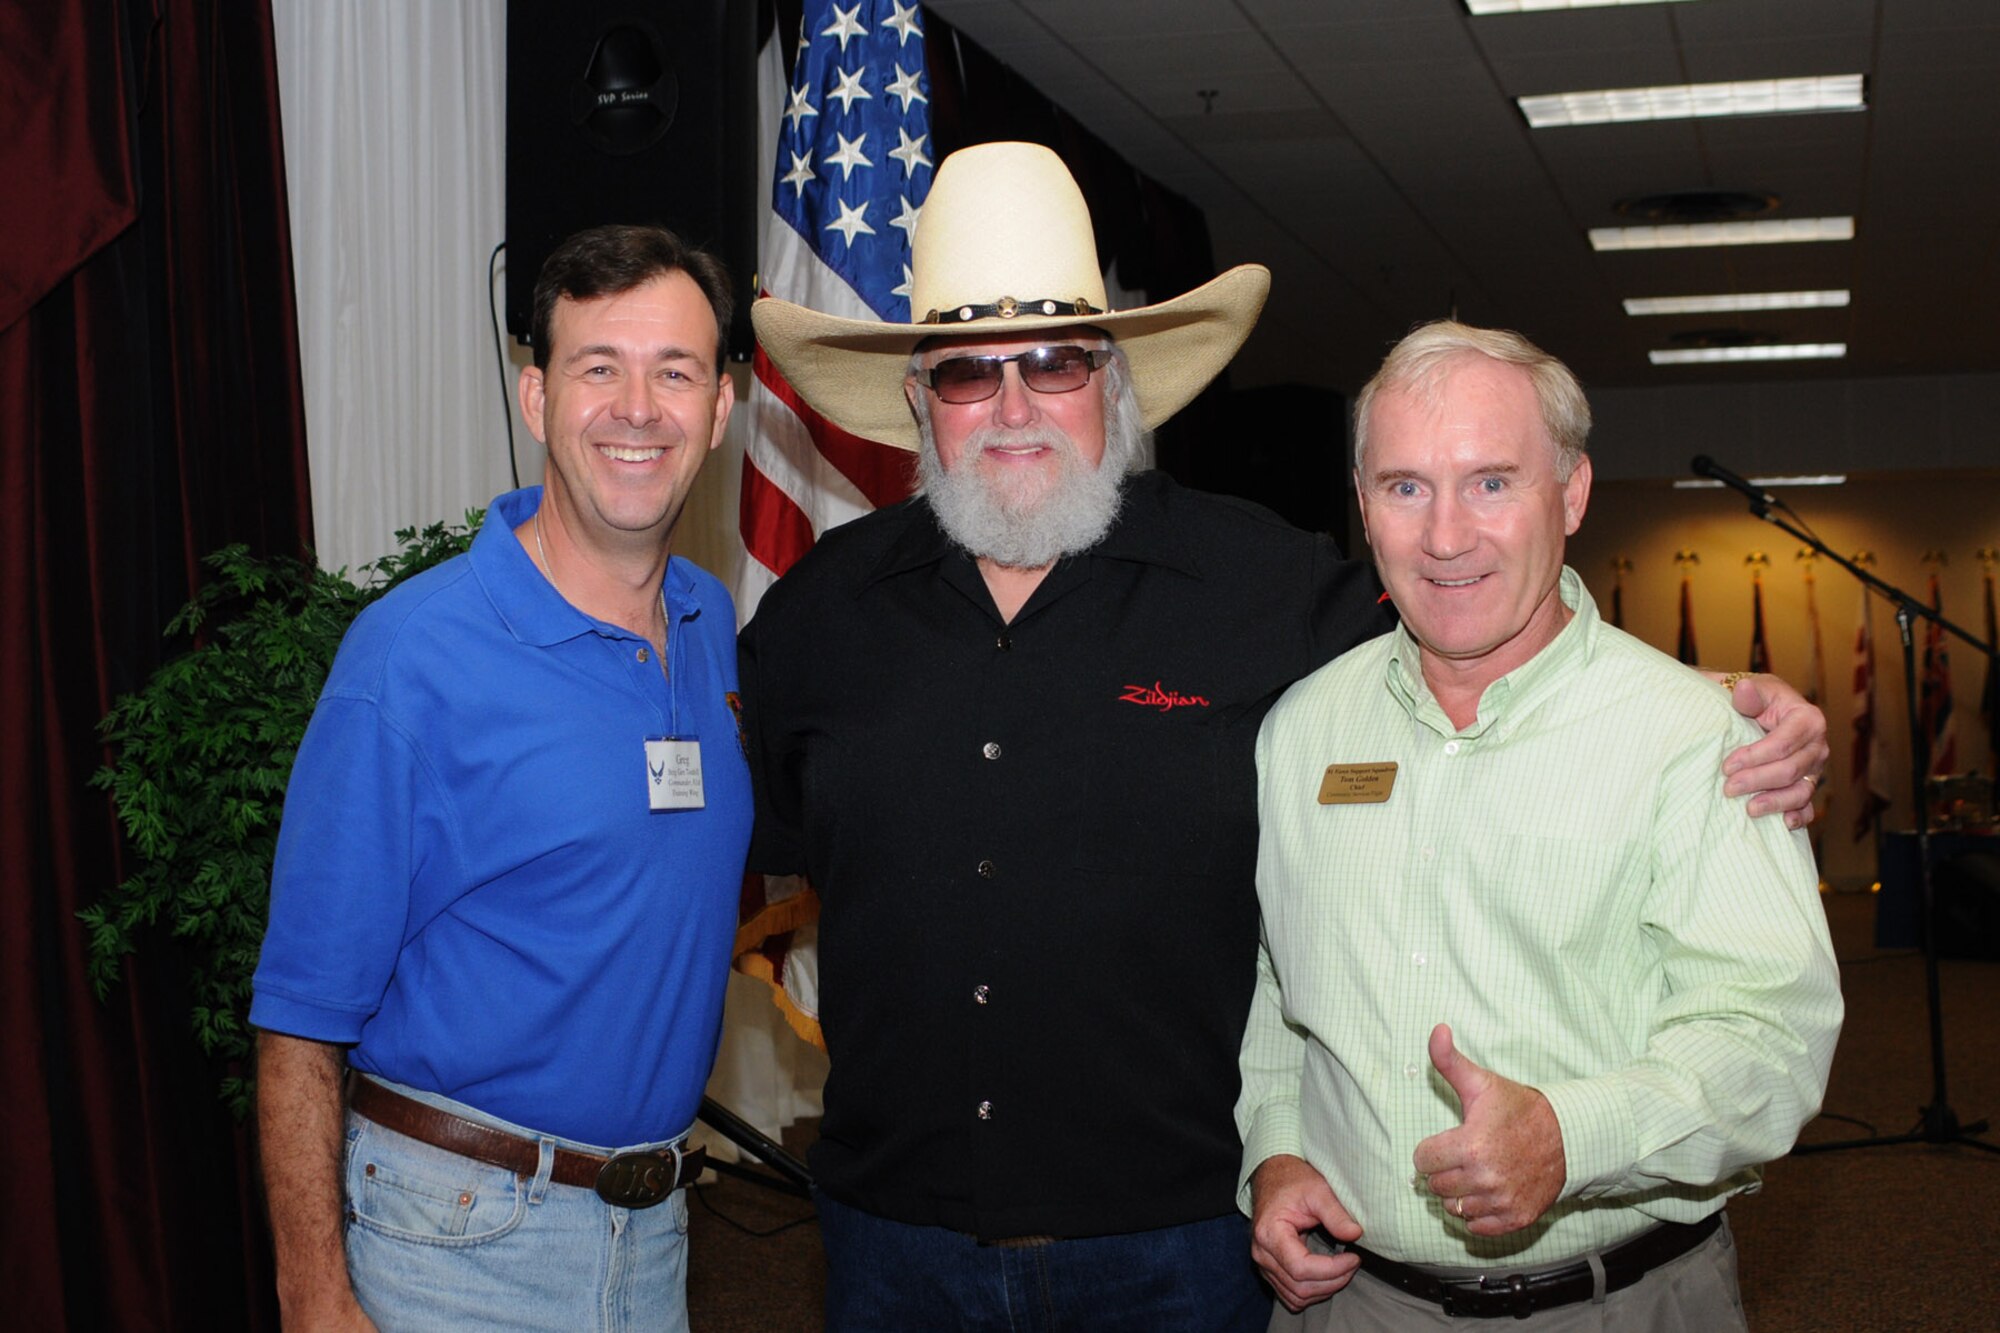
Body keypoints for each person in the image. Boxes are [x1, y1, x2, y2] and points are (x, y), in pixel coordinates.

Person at [741, 143, 1827, 1330]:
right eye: (965, 374)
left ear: (1113, 382)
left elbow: (1468, 614)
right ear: (915, 400)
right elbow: (756, 839)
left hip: (1177, 1248)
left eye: (1053, 362)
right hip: (896, 1243)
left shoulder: (1264, 585)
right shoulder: (815, 616)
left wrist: (1701, 699)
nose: (1012, 408)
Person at [1239, 321, 1845, 1329]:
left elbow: (1770, 1037)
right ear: (1361, 504)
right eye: (1403, 486)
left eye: (1489, 482)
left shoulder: (1697, 737)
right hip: (1352, 1310)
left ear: (1567, 494)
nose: (1444, 535)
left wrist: (1573, 1133)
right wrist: (1276, 1149)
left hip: (1622, 1302)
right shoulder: (1300, 731)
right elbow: (1272, 986)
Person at [249, 225, 749, 1332]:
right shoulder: (410, 658)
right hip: (454, 1244)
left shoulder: (712, 625)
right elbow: (297, 1022)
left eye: (675, 371)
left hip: (657, 1234)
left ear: (719, 409)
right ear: (536, 398)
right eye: (597, 367)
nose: (637, 407)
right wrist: (313, 1293)